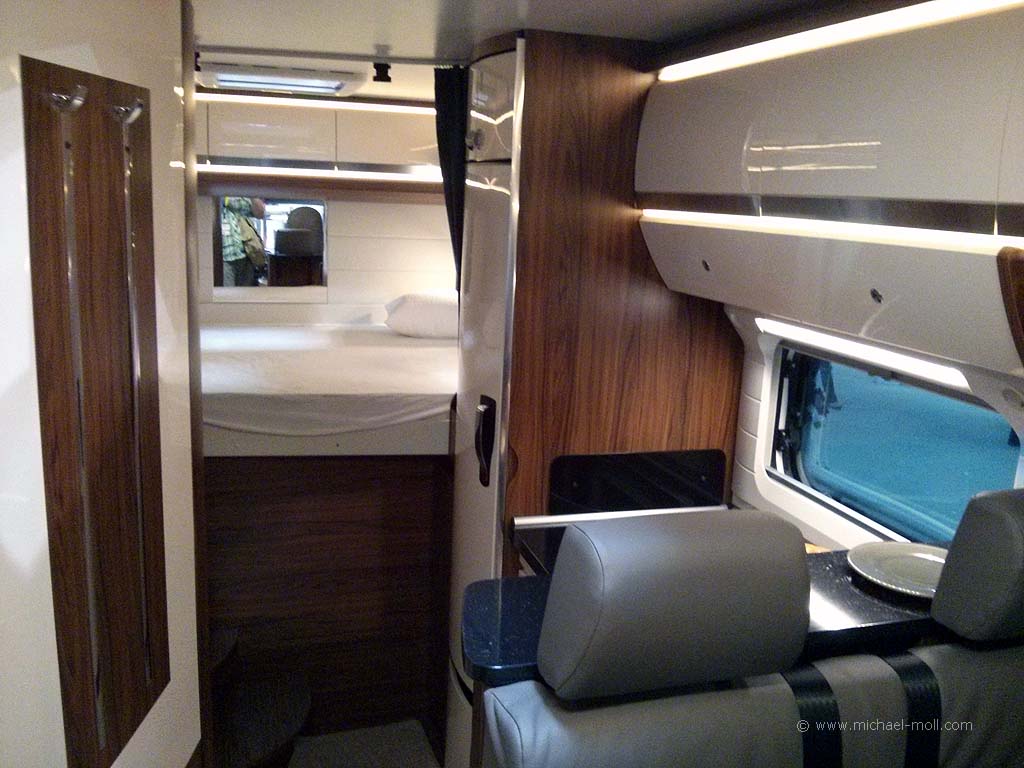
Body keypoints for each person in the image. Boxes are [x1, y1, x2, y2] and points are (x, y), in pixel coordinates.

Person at [220, 197, 266, 286]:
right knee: (228, 294)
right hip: (224, 260)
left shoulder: (237, 198)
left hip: (246, 255)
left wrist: (251, 193)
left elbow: (260, 213)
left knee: (246, 293)